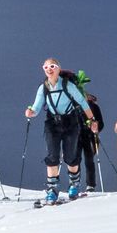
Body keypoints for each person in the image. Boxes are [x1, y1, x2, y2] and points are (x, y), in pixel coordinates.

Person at [23, 58, 97, 204]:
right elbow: (37, 107)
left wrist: (92, 120)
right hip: (52, 124)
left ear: (58, 68)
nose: (49, 69)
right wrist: (30, 112)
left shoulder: (67, 85)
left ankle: (74, 184)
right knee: (52, 156)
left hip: (71, 122)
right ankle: (52, 189)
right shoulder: (43, 87)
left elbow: (82, 102)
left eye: (52, 66)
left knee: (70, 156)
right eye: (45, 67)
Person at [82, 90, 106, 194]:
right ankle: (74, 183)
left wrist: (96, 127)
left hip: (90, 136)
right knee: (74, 159)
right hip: (76, 135)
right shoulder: (74, 106)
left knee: (89, 159)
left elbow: (100, 123)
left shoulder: (94, 107)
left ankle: (90, 184)